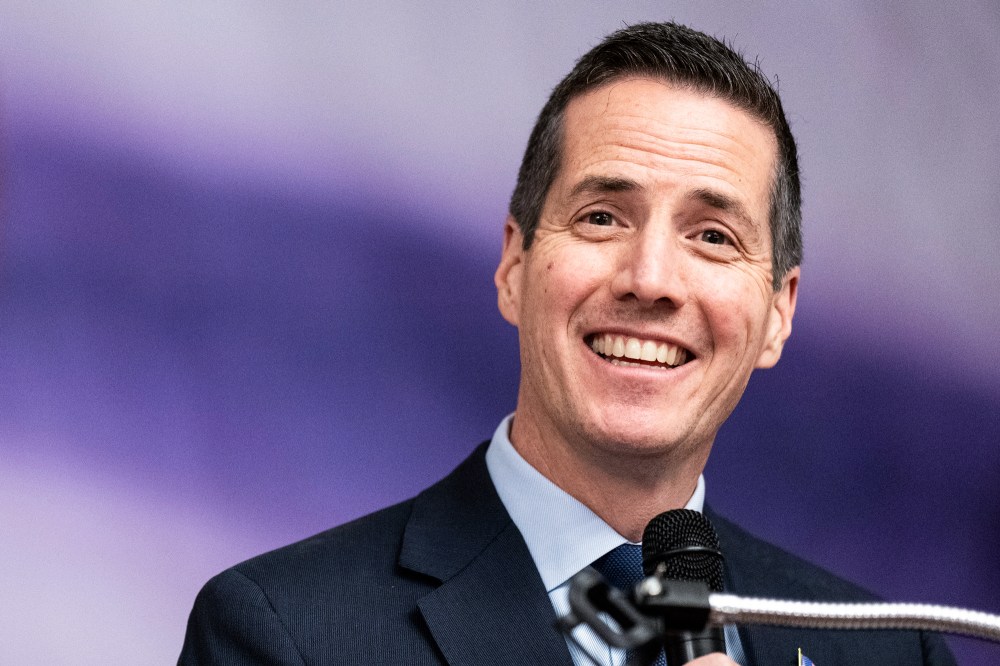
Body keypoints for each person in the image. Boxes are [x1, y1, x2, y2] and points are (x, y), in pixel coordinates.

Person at [179, 22, 956, 665]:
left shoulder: (894, 653)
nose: (651, 279)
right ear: (514, 267)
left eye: (713, 236)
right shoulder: (285, 633)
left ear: (779, 313)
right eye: (602, 218)